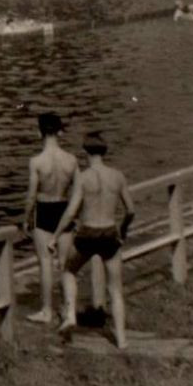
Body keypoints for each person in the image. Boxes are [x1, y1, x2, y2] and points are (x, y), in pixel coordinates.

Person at [53, 133, 136, 349]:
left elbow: (71, 211)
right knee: (115, 290)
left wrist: (55, 236)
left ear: (86, 152)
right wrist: (123, 230)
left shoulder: (83, 178)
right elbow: (131, 210)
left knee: (69, 270)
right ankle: (122, 339)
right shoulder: (118, 176)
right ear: (104, 151)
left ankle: (70, 315)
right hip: (109, 233)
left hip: (87, 234)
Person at [23, 112, 78, 324]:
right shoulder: (71, 160)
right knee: (65, 265)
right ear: (60, 131)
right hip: (64, 209)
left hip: (45, 210)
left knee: (45, 263)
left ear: (40, 133)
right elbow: (78, 194)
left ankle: (46, 311)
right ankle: (68, 310)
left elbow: (31, 196)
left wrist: (26, 218)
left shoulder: (36, 162)